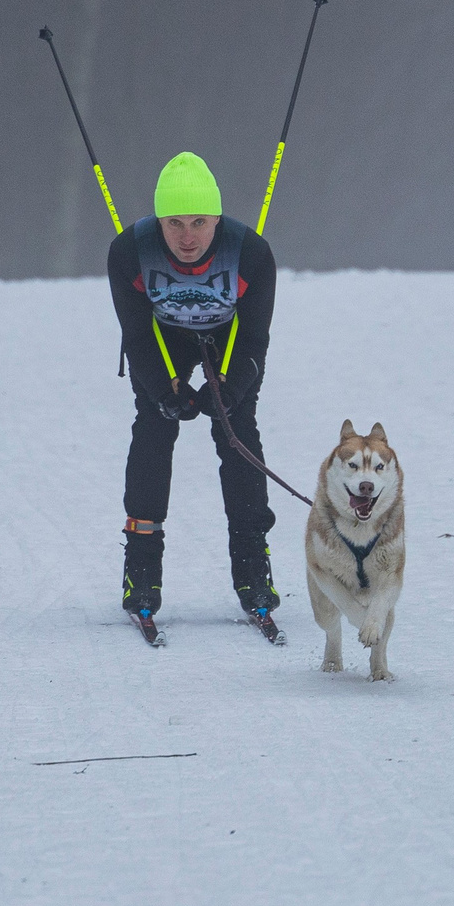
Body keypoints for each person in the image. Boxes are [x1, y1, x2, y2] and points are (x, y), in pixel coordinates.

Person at [106, 150, 279, 624]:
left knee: (236, 428)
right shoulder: (128, 253)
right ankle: (140, 568)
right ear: (158, 221)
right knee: (155, 427)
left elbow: (253, 338)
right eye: (175, 223)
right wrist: (167, 388)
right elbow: (137, 335)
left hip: (229, 336)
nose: (187, 237)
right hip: (162, 338)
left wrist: (230, 386)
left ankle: (252, 565)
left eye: (200, 222)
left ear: (217, 218)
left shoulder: (252, 253)